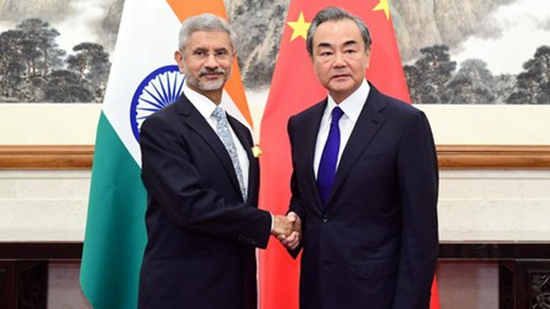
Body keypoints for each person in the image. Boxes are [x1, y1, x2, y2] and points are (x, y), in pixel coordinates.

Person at [281, 7, 439, 309]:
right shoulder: (301, 125)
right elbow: (304, 196)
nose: (338, 62)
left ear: (367, 54)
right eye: (325, 53)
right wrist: (295, 217)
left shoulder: (405, 124)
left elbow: (421, 234)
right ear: (312, 60)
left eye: (349, 50)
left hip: (378, 295)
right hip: (316, 291)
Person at [138, 13, 294, 309]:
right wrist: (271, 223)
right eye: (200, 53)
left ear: (233, 59)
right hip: (183, 294)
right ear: (180, 60)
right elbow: (189, 205)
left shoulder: (241, 131)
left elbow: (239, 206)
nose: (212, 63)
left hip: (238, 290)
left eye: (221, 53)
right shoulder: (162, 128)